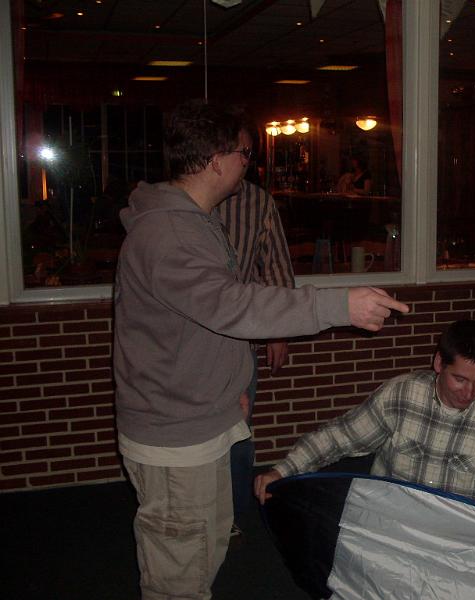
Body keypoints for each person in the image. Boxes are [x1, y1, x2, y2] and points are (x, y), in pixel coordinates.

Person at [113, 99, 409, 600]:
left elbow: (203, 320)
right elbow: (230, 305)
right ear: (216, 160)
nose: (249, 165)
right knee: (178, 576)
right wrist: (338, 305)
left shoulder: (194, 220)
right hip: (174, 435)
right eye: (246, 154)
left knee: (205, 548)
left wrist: (230, 387)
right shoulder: (170, 233)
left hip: (200, 417)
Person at [255, 320, 475, 600]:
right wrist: (283, 470)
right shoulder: (401, 394)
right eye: (460, 379)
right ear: (438, 363)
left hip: (455, 544)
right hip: (390, 533)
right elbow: (338, 437)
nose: (469, 393)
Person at [217, 120, 296, 537]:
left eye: (250, 153)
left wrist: (278, 333)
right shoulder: (181, 203)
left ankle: (230, 515)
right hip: (188, 341)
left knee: (238, 430)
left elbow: (277, 270)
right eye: (240, 152)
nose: (247, 161)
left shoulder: (257, 202)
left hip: (239, 339)